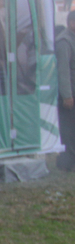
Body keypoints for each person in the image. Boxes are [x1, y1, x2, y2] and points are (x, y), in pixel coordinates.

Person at [56, 10, 75, 171]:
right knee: (69, 130)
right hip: (70, 95)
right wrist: (67, 96)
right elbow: (63, 71)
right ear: (71, 23)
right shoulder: (64, 41)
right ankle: (67, 163)